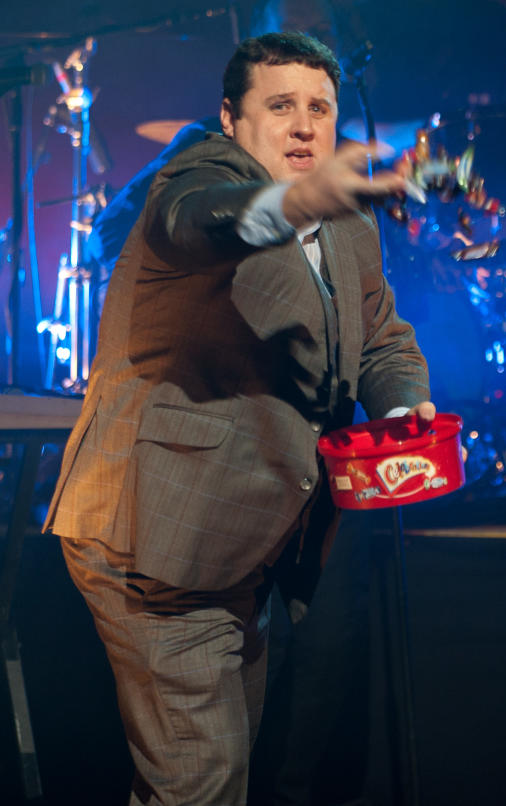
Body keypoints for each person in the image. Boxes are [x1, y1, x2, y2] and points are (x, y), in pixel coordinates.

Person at [44, 31, 432, 805]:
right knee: (203, 781)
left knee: (204, 778)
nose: (303, 125)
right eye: (280, 105)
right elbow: (197, 223)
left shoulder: (351, 226)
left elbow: (382, 337)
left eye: (319, 108)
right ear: (231, 119)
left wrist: (401, 407)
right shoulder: (199, 176)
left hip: (238, 543)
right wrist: (293, 203)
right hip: (150, 533)